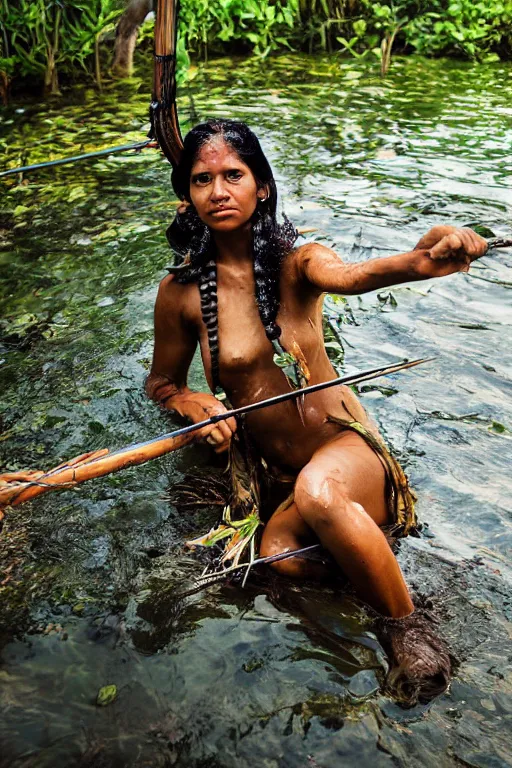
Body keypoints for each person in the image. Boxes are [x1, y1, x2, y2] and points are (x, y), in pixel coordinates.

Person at [145, 119, 487, 699]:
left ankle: (409, 628)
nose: (219, 191)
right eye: (203, 179)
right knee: (279, 560)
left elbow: (354, 274)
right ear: (188, 196)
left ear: (263, 187)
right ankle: (377, 561)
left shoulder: (297, 265)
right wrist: (187, 400)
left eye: (234, 175)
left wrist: (418, 259)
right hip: (274, 471)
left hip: (343, 452)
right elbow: (159, 382)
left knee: (321, 494)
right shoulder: (181, 293)